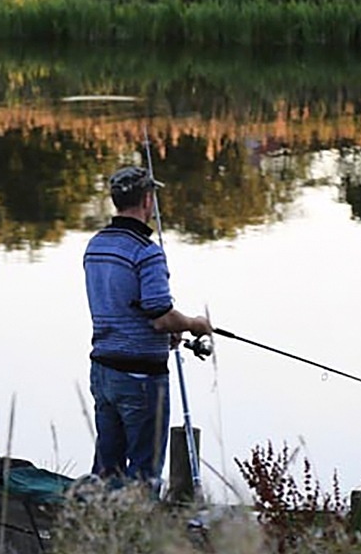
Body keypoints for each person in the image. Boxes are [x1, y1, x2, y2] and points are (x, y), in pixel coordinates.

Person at [83, 165, 212, 495]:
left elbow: (123, 304)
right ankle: (139, 540)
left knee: (106, 471)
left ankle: (102, 537)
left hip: (103, 371)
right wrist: (194, 324)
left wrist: (163, 329)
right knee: (144, 476)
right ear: (147, 200)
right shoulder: (146, 252)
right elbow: (160, 316)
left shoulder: (96, 246)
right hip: (141, 379)